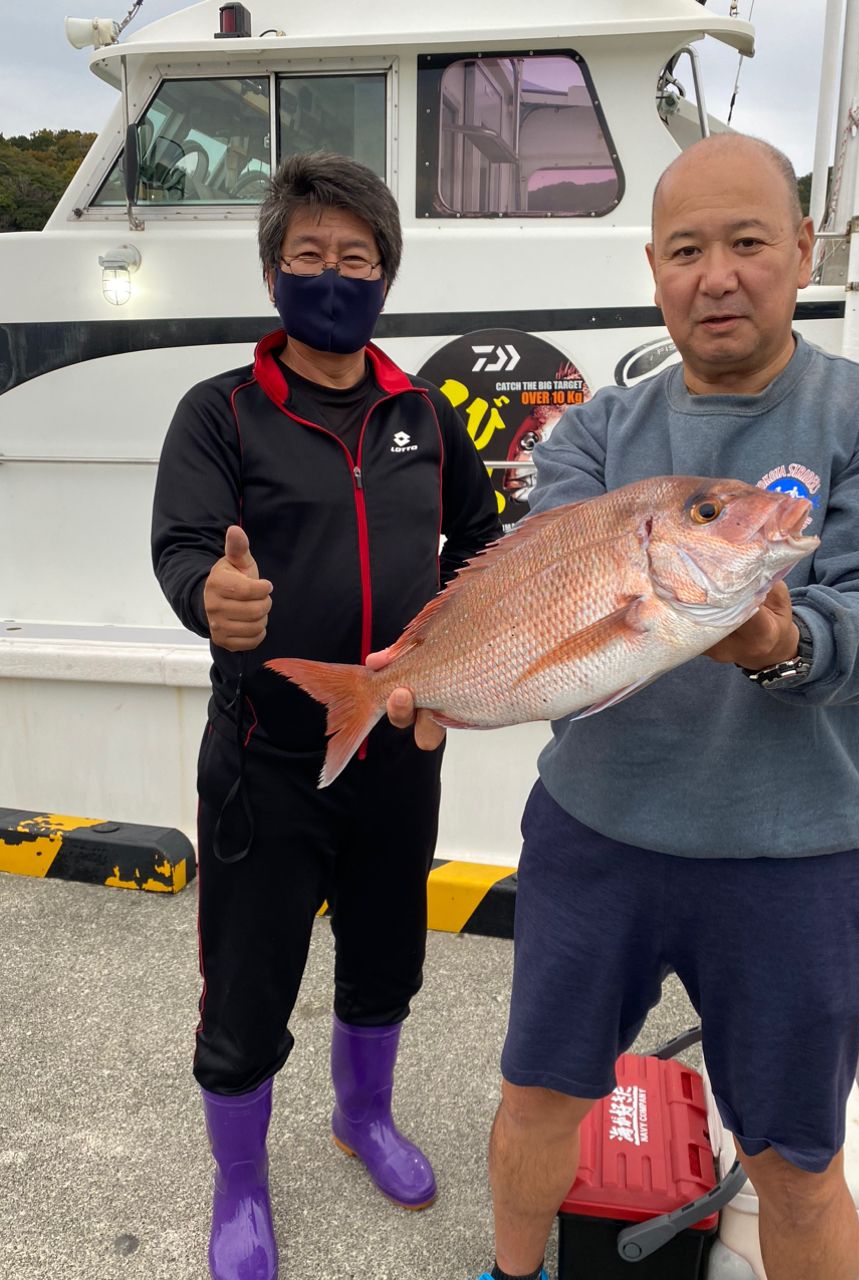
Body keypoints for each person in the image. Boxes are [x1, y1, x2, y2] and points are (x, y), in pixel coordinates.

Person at [385, 133, 859, 1280]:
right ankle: (515, 1271)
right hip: (596, 840)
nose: (719, 273)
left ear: (800, 250)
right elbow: (535, 607)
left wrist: (788, 640)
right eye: (688, 248)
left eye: (749, 242)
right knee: (538, 1097)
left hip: (796, 856)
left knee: (797, 1156)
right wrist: (436, 674)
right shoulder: (599, 432)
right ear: (655, 266)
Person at [151, 152, 500, 1280]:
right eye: (310, 256)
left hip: (398, 745)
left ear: (387, 276)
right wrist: (213, 594)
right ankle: (241, 1179)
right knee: (247, 984)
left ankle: (364, 1115)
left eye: (357, 257)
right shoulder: (222, 412)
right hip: (266, 755)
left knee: (387, 954)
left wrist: (473, 647)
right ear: (272, 274)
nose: (334, 275)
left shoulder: (426, 415)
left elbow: (482, 541)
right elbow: (186, 545)